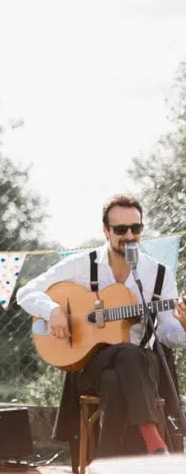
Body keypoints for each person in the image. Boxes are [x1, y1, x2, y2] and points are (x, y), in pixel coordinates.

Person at [15, 194, 186, 465]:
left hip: (144, 365)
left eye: (136, 228)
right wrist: (53, 311)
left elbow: (168, 335)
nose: (129, 236)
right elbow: (26, 292)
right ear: (106, 231)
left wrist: (183, 325)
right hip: (92, 365)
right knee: (117, 368)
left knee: (120, 369)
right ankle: (152, 441)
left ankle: (103, 464)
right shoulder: (83, 264)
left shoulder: (159, 274)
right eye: (121, 229)